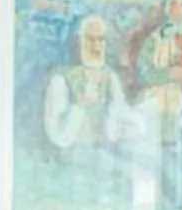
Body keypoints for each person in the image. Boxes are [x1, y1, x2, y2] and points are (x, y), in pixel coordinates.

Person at [41, 14, 138, 151]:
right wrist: (79, 106)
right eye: (91, 40)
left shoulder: (110, 77)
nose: (96, 46)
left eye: (101, 40)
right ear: (80, 42)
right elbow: (57, 135)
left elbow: (121, 113)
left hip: (105, 155)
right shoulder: (61, 79)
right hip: (71, 157)